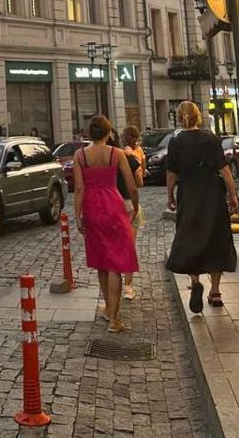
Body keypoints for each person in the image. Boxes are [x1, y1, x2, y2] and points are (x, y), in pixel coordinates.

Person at [165, 100, 239, 313]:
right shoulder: (210, 138)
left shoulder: (176, 141)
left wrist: (170, 195)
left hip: (189, 192)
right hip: (212, 192)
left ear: (180, 118)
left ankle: (195, 281)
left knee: (190, 237)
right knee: (216, 237)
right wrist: (233, 195)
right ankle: (215, 291)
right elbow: (224, 169)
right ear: (199, 116)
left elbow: (171, 173)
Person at [73, 115, 140, 333]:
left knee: (102, 261)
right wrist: (136, 207)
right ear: (109, 132)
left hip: (92, 208)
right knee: (116, 264)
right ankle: (115, 318)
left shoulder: (80, 156)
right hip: (113, 205)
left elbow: (80, 189)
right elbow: (131, 185)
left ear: (89, 133)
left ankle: (110, 309)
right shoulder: (116, 153)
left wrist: (77, 215)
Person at [112, 127, 145, 301]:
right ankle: (128, 287)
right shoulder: (129, 158)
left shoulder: (99, 159)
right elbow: (138, 184)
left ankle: (112, 284)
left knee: (113, 246)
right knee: (129, 246)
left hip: (108, 205)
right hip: (127, 204)